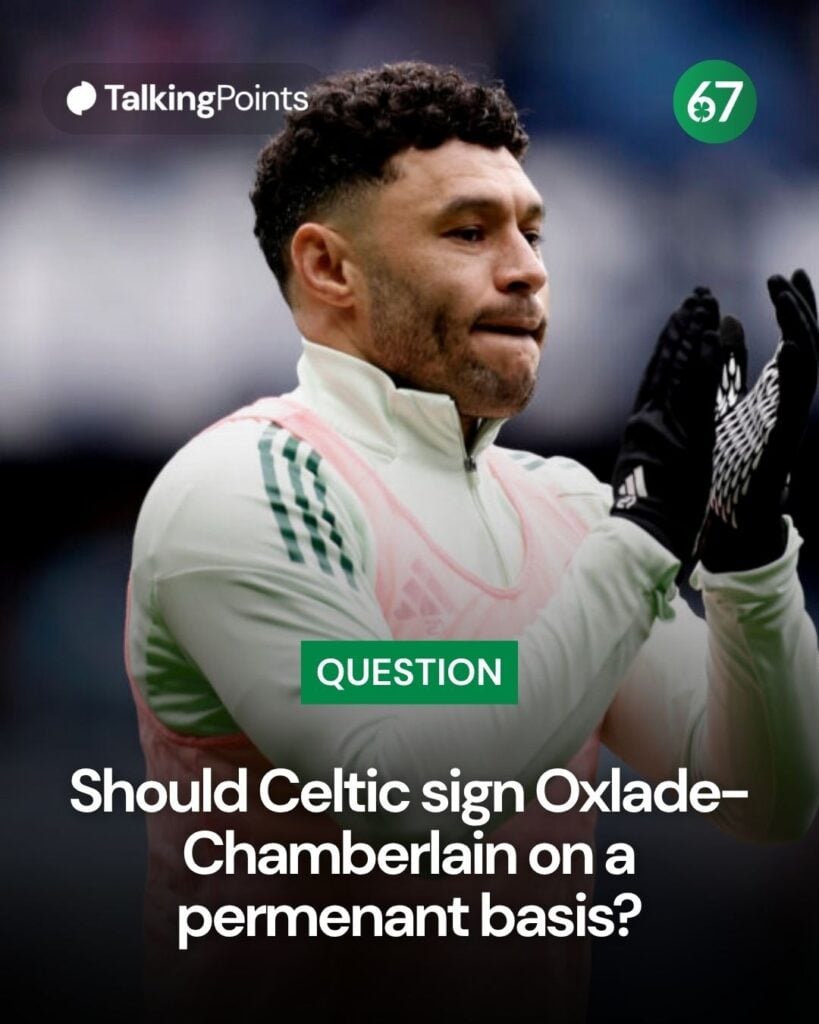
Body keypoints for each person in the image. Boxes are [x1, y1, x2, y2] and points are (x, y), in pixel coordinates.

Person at [126, 61, 819, 1022]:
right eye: (468, 231)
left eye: (531, 231)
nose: (528, 267)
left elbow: (765, 799)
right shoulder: (245, 490)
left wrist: (748, 564)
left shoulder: (566, 510)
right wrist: (640, 543)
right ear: (329, 268)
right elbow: (408, 798)